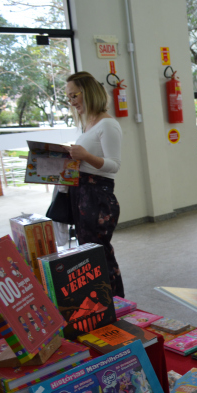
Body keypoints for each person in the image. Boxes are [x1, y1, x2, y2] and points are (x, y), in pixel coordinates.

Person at [65, 72, 124, 298]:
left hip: (97, 197)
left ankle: (115, 302)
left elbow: (113, 165)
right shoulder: (88, 124)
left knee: (99, 253)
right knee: (88, 252)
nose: (72, 102)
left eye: (74, 96)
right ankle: (98, 301)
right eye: (69, 98)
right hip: (81, 193)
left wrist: (85, 155)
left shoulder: (107, 124)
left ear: (88, 92)